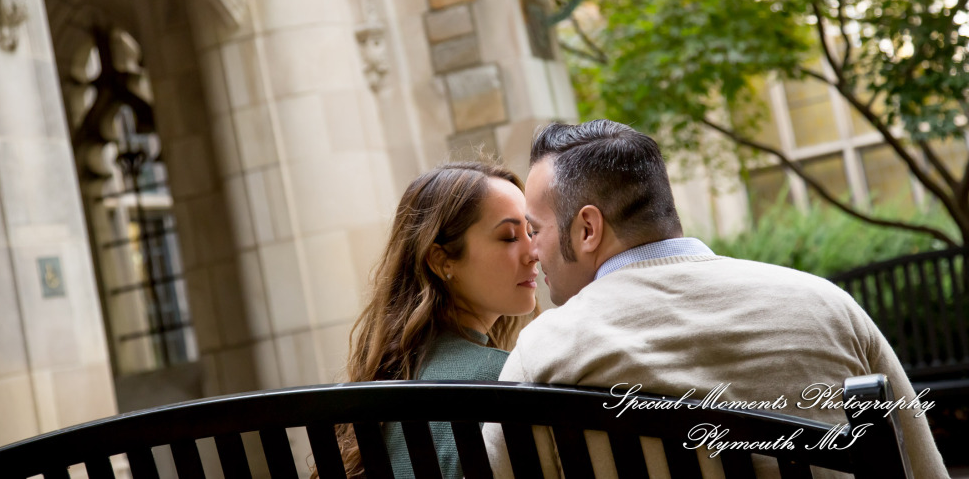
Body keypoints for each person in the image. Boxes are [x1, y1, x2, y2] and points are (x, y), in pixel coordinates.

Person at [483, 120, 948, 478]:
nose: (533, 249)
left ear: (588, 229)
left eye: (536, 228)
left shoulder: (542, 354)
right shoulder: (829, 308)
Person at [323, 161, 539, 479]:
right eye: (509, 237)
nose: (533, 251)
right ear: (441, 260)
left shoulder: (382, 384)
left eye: (533, 232)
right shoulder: (501, 377)